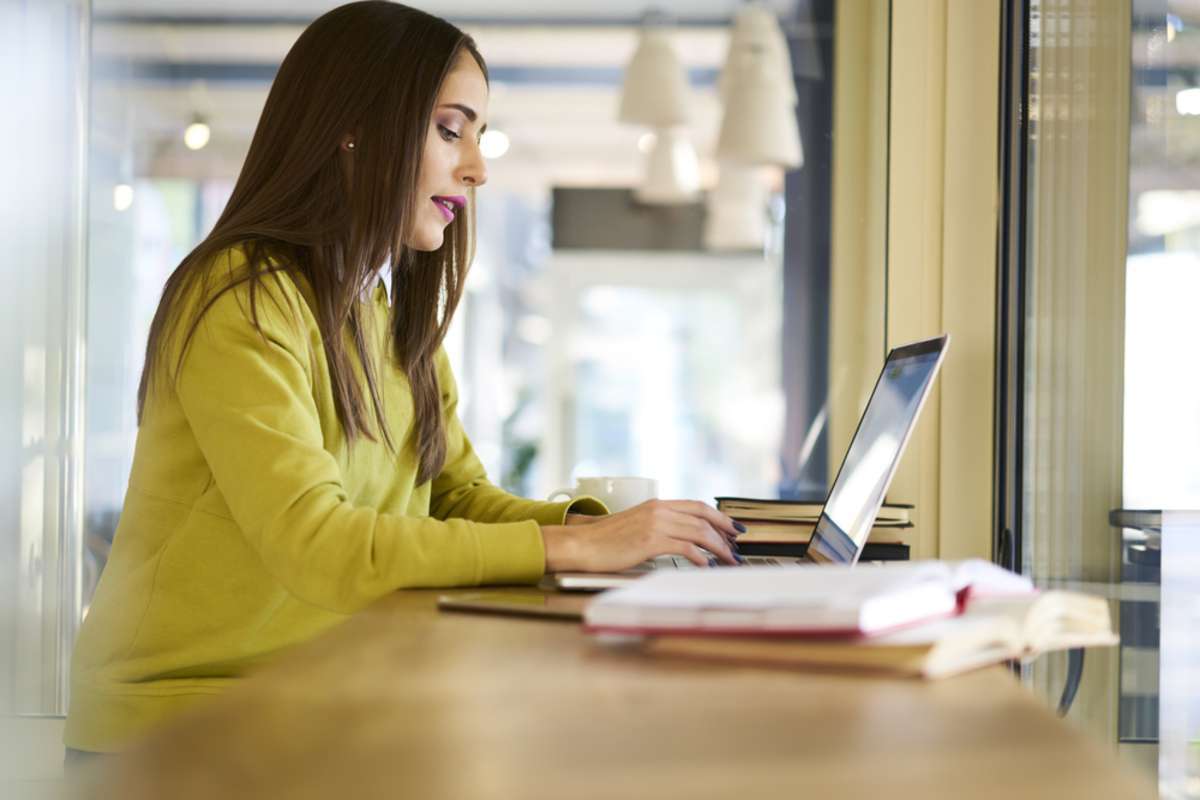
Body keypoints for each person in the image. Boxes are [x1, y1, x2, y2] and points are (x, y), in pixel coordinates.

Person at [63, 0, 742, 759]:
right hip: (185, 724)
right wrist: (572, 552)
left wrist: (592, 531)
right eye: (451, 130)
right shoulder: (242, 296)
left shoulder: (386, 313)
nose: (478, 168)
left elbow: (457, 497)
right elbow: (317, 545)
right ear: (353, 128)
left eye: (477, 137)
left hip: (322, 689)